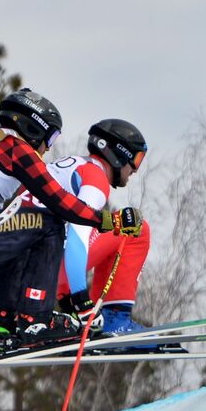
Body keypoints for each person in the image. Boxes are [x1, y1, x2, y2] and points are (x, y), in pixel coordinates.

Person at [0, 88, 144, 348]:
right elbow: (59, 201)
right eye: (51, 137)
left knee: (20, 224)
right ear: (34, 128)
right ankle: (36, 317)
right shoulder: (14, 147)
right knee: (48, 220)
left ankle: (3, 317)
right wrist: (109, 222)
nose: (47, 148)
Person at [40, 119, 153, 335]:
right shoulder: (95, 177)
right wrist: (82, 302)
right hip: (50, 266)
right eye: (136, 159)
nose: (135, 170)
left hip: (28, 272)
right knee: (136, 229)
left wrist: (67, 304)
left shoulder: (67, 164)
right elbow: (75, 237)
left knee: (94, 227)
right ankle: (114, 319)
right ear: (118, 155)